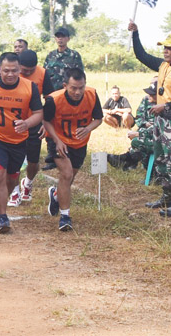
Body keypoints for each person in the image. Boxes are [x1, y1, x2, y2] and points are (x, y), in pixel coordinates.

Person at [129, 21, 171, 217]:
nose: (165, 51)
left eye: (169, 48)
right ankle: (167, 197)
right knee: (161, 160)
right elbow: (141, 55)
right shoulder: (163, 65)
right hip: (160, 120)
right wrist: (135, 33)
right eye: (164, 48)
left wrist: (166, 105)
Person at [0, 52, 43, 233]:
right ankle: (3, 217)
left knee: (12, 178)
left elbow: (38, 114)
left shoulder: (30, 87)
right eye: (6, 71)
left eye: (14, 71)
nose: (10, 74)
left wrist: (26, 123)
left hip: (19, 140)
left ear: (20, 69)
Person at [42, 68, 103, 230]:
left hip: (79, 142)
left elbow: (98, 119)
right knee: (66, 174)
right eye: (73, 88)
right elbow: (46, 121)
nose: (78, 92)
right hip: (59, 140)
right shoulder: (53, 100)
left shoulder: (91, 94)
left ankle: (56, 195)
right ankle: (65, 216)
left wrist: (88, 128)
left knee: (70, 177)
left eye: (81, 87)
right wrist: (57, 140)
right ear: (65, 86)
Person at [7, 49, 55, 206]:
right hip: (12, 122)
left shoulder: (42, 74)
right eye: (24, 70)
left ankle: (27, 183)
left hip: (33, 122)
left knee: (33, 162)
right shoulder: (12, 73)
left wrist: (46, 123)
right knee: (12, 160)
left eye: (30, 70)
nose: (26, 73)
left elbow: (49, 100)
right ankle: (14, 193)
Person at [43, 27, 84, 169]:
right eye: (58, 37)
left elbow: (80, 75)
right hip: (53, 96)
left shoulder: (74, 56)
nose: (60, 39)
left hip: (68, 96)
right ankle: (51, 155)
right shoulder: (50, 56)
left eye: (63, 36)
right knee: (49, 122)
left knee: (65, 123)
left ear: (68, 38)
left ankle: (67, 151)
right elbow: (45, 76)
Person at [109, 82, 157, 171]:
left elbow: (160, 129)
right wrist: (144, 124)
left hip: (161, 139)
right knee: (138, 140)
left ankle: (128, 160)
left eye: (152, 93)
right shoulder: (146, 100)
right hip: (147, 130)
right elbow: (139, 117)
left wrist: (139, 134)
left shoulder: (165, 106)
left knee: (138, 142)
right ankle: (128, 161)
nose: (149, 95)